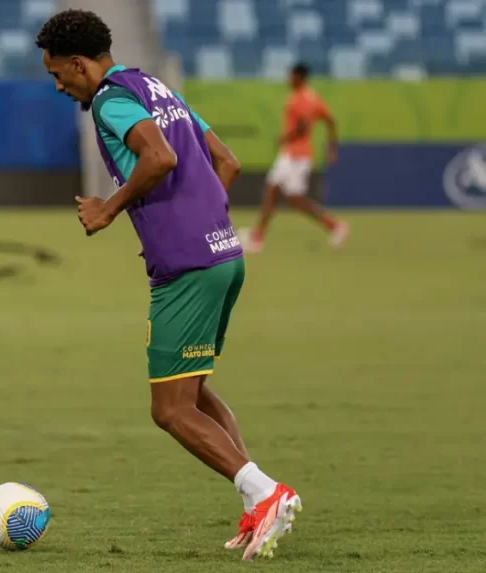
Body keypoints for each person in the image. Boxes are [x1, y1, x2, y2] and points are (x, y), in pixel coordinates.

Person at [36, 9, 302, 561]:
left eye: (58, 74)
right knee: (194, 389)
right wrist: (192, 221)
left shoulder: (111, 99)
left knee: (170, 410)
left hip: (188, 269)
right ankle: (257, 501)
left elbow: (160, 156)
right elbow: (225, 162)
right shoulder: (157, 86)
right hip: (224, 255)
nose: (59, 85)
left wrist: (110, 209)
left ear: (80, 64)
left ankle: (264, 490)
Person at [240, 63, 348, 253]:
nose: (288, 79)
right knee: (283, 195)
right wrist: (332, 148)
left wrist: (285, 137)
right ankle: (333, 226)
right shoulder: (313, 97)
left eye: (290, 75)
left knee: (280, 193)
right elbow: (330, 121)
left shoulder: (301, 99)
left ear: (299, 77)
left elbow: (304, 126)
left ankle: (257, 238)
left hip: (295, 155)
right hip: (295, 155)